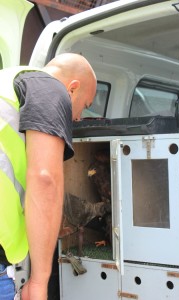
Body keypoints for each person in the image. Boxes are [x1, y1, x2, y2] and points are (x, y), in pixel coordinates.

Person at [0, 53, 97, 300]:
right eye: (84, 106)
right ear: (72, 89)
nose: (77, 119)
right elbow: (45, 179)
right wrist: (40, 280)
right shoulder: (49, 88)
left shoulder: (8, 81)